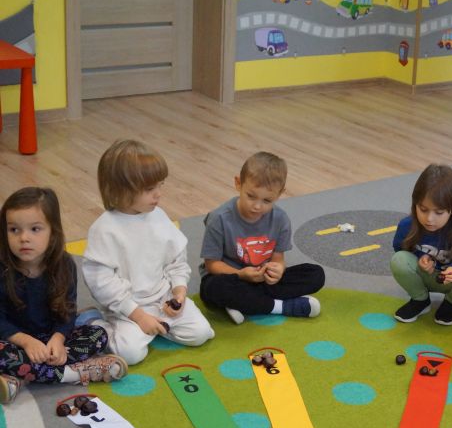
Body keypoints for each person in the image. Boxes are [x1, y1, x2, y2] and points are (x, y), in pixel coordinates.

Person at [79, 140, 214, 365]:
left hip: (163, 298)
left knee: (201, 333)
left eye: (160, 185)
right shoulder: (105, 229)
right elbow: (102, 284)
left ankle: (155, 328)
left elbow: (176, 261)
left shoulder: (158, 216)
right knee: (130, 354)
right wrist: (139, 316)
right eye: (149, 189)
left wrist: (179, 292)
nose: (158, 194)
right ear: (120, 191)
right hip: (128, 309)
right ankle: (95, 323)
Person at [0, 187, 126, 405]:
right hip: (13, 340)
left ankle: (21, 377)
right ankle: (74, 373)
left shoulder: (64, 264)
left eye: (35, 229)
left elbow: (67, 313)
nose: (24, 238)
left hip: (51, 340)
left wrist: (58, 340)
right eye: (14, 230)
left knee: (99, 334)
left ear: (53, 232)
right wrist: (26, 342)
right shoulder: (3, 268)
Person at [199, 151, 325, 325]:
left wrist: (277, 270)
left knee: (316, 274)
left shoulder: (281, 219)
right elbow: (211, 265)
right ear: (238, 183)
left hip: (262, 279)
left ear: (280, 194)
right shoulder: (219, 218)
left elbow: (278, 259)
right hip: (231, 277)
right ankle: (281, 306)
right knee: (213, 289)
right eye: (251, 196)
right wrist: (240, 274)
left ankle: (244, 302)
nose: (257, 206)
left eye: (267, 201)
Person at [391, 164, 452, 326]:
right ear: (415, 204)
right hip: (424, 275)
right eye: (423, 209)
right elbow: (400, 249)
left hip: (451, 282)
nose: (429, 219)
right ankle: (420, 300)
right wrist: (420, 258)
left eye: (439, 212)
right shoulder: (407, 225)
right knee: (398, 260)